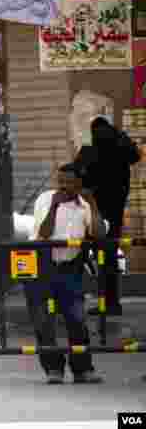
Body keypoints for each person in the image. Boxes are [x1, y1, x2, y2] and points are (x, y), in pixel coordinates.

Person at [25, 162, 105, 385]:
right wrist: (54, 207)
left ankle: (82, 369)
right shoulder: (46, 199)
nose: (64, 186)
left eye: (69, 182)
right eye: (60, 181)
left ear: (79, 184)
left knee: (77, 318)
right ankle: (53, 369)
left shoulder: (84, 205)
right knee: (44, 321)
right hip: (43, 266)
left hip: (70, 267)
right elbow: (44, 233)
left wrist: (93, 204)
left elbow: (98, 233)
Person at [75, 115, 140, 315]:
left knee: (80, 255)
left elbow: (76, 173)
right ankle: (111, 304)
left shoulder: (90, 151)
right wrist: (122, 136)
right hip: (115, 212)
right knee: (109, 259)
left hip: (92, 213)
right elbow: (136, 155)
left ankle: (72, 300)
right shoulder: (121, 148)